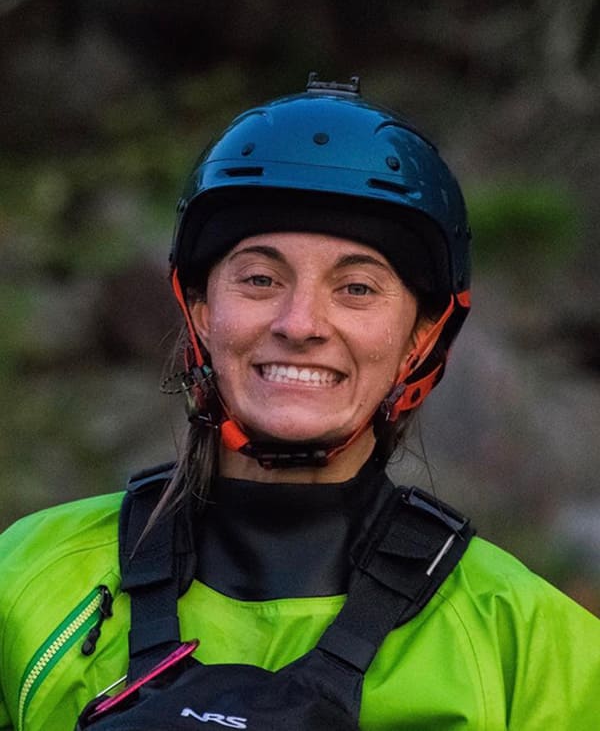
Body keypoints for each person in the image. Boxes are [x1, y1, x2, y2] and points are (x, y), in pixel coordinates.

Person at [0, 73, 598, 731]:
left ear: (420, 338)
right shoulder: (26, 580)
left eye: (357, 288)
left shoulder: (532, 645)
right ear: (200, 310)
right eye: (260, 278)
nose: (301, 322)